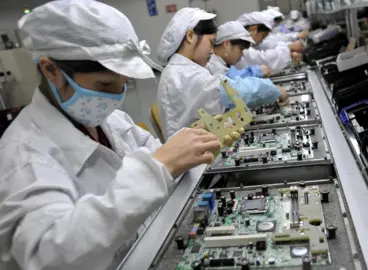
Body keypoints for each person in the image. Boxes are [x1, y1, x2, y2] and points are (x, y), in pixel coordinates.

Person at [0, 1, 222, 270]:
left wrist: (185, 149)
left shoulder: (111, 120)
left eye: (123, 83)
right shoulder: (21, 156)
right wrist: (156, 169)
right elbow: (50, 256)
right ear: (51, 70)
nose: (116, 96)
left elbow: (158, 154)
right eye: (105, 84)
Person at [157, 8, 288, 139]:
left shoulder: (182, 70)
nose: (212, 51)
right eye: (211, 43)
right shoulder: (185, 75)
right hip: (196, 155)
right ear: (190, 36)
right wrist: (273, 89)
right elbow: (233, 91)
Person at [235, 11, 301, 74]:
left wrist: (287, 53)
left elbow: (266, 46)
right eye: (263, 36)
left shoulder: (246, 41)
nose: (262, 40)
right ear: (254, 29)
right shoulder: (239, 45)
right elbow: (264, 61)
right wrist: (287, 49)